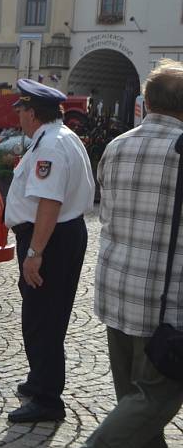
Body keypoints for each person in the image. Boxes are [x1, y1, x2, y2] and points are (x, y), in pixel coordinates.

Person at [83, 60, 183, 447]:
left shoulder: (116, 145)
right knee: (151, 403)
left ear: (147, 101)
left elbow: (107, 215)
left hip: (118, 296)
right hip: (168, 309)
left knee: (135, 409)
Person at [3, 78, 95, 423]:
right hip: (62, 235)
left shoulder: (49, 147)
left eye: (21, 111)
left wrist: (34, 253)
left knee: (42, 319)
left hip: (49, 238)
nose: (18, 118)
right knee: (46, 313)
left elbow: (49, 202)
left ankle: (47, 399)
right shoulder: (60, 137)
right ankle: (39, 379)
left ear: (32, 113)